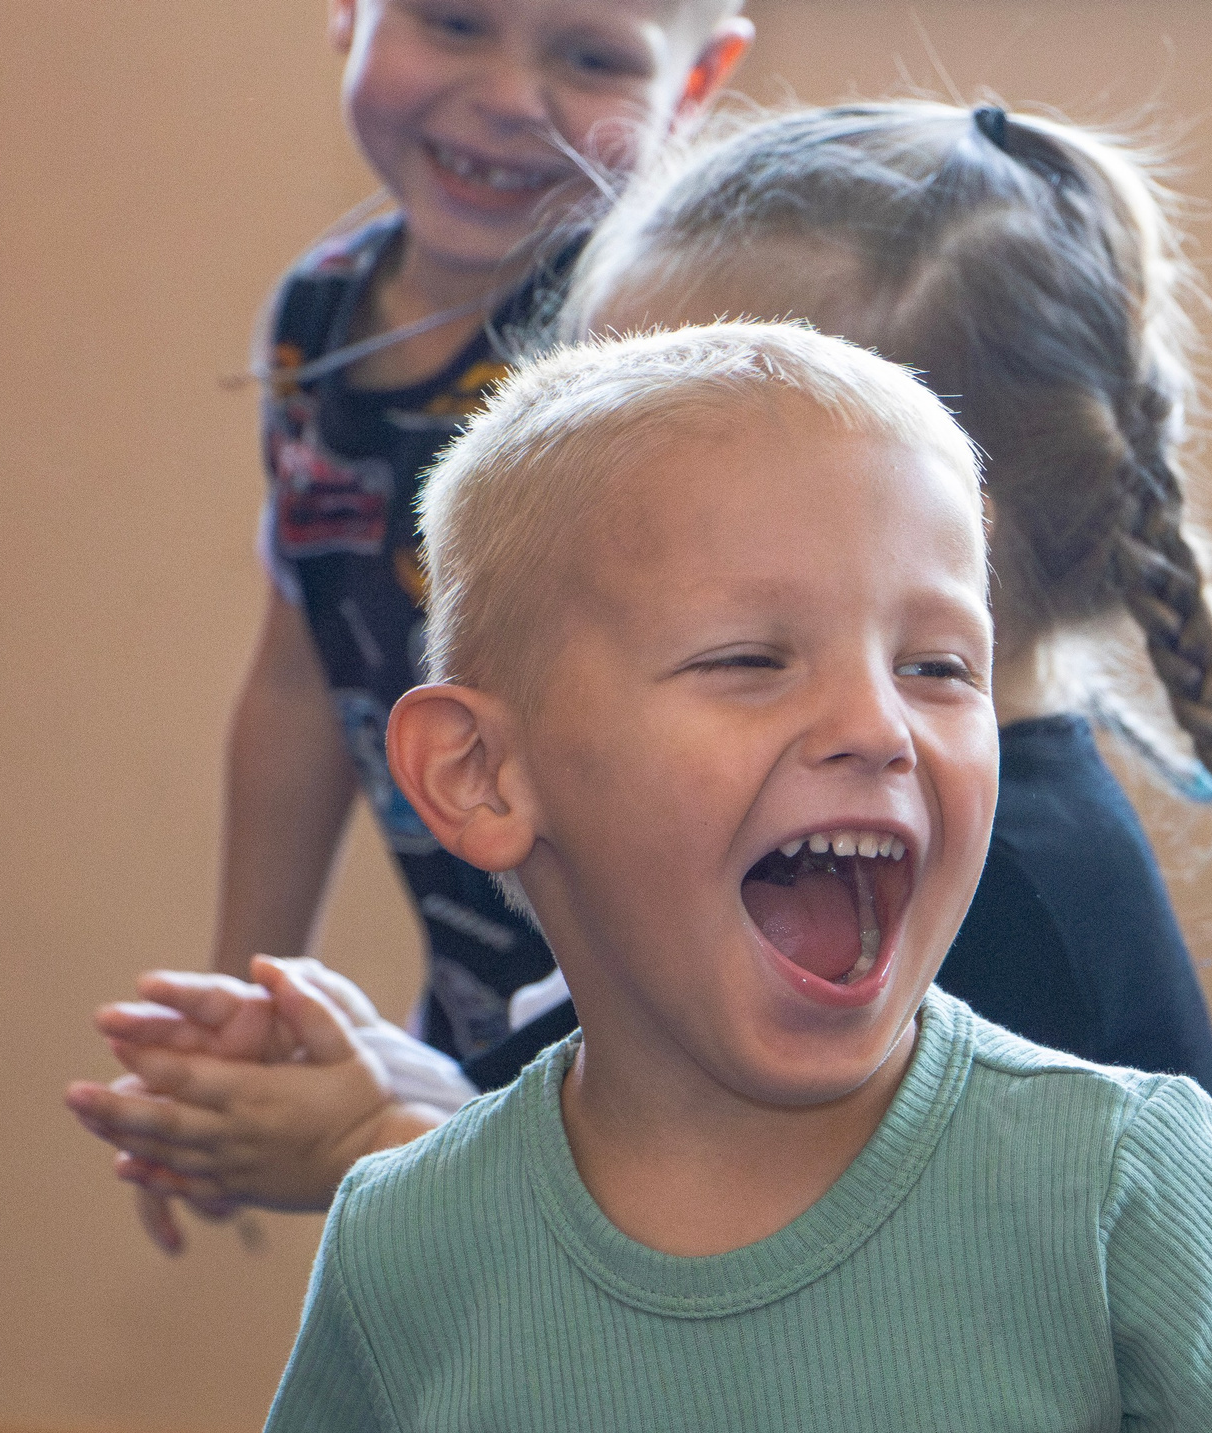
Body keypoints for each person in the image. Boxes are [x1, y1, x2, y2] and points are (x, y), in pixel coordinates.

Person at [215, 317, 1212, 1433]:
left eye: (938, 665)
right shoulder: (406, 1242)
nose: (879, 726)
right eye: (749, 659)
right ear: (480, 775)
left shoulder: (1113, 1178)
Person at [73, 102, 1212, 1303]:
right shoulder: (827, 836)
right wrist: (418, 1094)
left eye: (634, 425)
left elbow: (777, 1320)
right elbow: (664, 1144)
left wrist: (379, 1149)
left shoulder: (972, 900)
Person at [68, 0, 753, 1250]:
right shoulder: (319, 314)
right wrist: (245, 1006)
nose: (509, 96)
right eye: (453, 21)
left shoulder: (642, 346)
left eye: (590, 56)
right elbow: (302, 681)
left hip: (673, 1038)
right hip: (475, 1013)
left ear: (699, 80)